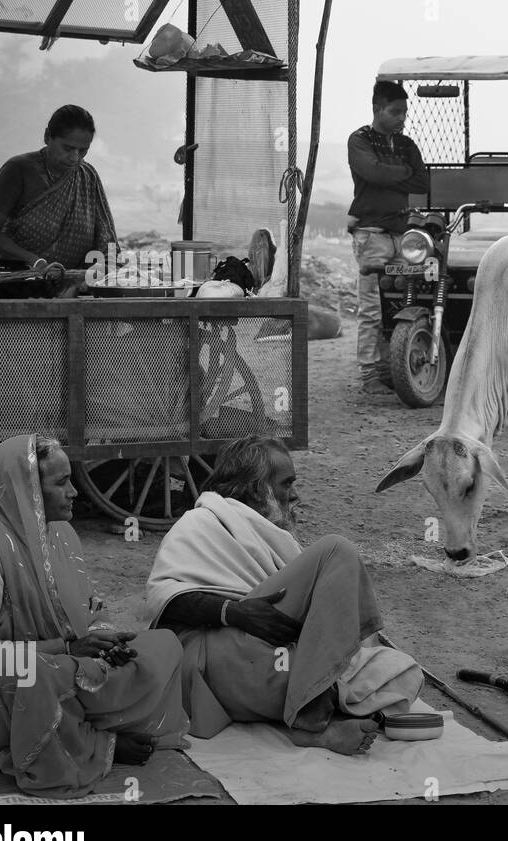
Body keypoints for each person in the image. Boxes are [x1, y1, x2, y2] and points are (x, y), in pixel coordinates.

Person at [0, 435, 187, 798]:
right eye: (61, 482)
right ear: (26, 491)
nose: (74, 492)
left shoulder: (62, 535)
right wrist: (64, 648)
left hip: (64, 669)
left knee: (165, 645)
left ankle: (74, 726)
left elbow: (90, 610)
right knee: (37, 677)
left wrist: (106, 641)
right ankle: (96, 742)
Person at [143, 435, 422, 755]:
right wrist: (233, 612)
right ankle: (312, 715)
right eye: (286, 484)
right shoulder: (201, 521)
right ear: (255, 488)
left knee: (403, 670)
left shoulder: (271, 534)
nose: (295, 494)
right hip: (220, 664)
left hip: (271, 672)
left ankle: (317, 700)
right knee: (337, 550)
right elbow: (163, 599)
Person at [348, 81, 430, 395]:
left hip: (401, 234)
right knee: (371, 310)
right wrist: (401, 172)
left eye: (404, 112)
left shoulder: (406, 144)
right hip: (372, 235)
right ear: (377, 109)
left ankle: (390, 371)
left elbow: (422, 181)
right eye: (395, 112)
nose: (402, 118)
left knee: (399, 305)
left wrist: (387, 174)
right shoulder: (359, 139)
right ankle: (370, 375)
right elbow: (374, 173)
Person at [0, 105, 117, 276]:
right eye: (67, 148)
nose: (75, 157)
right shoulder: (18, 169)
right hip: (16, 279)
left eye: (83, 150)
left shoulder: (88, 176)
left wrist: (103, 271)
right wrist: (35, 262)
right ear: (47, 136)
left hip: (71, 282)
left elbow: (106, 240)